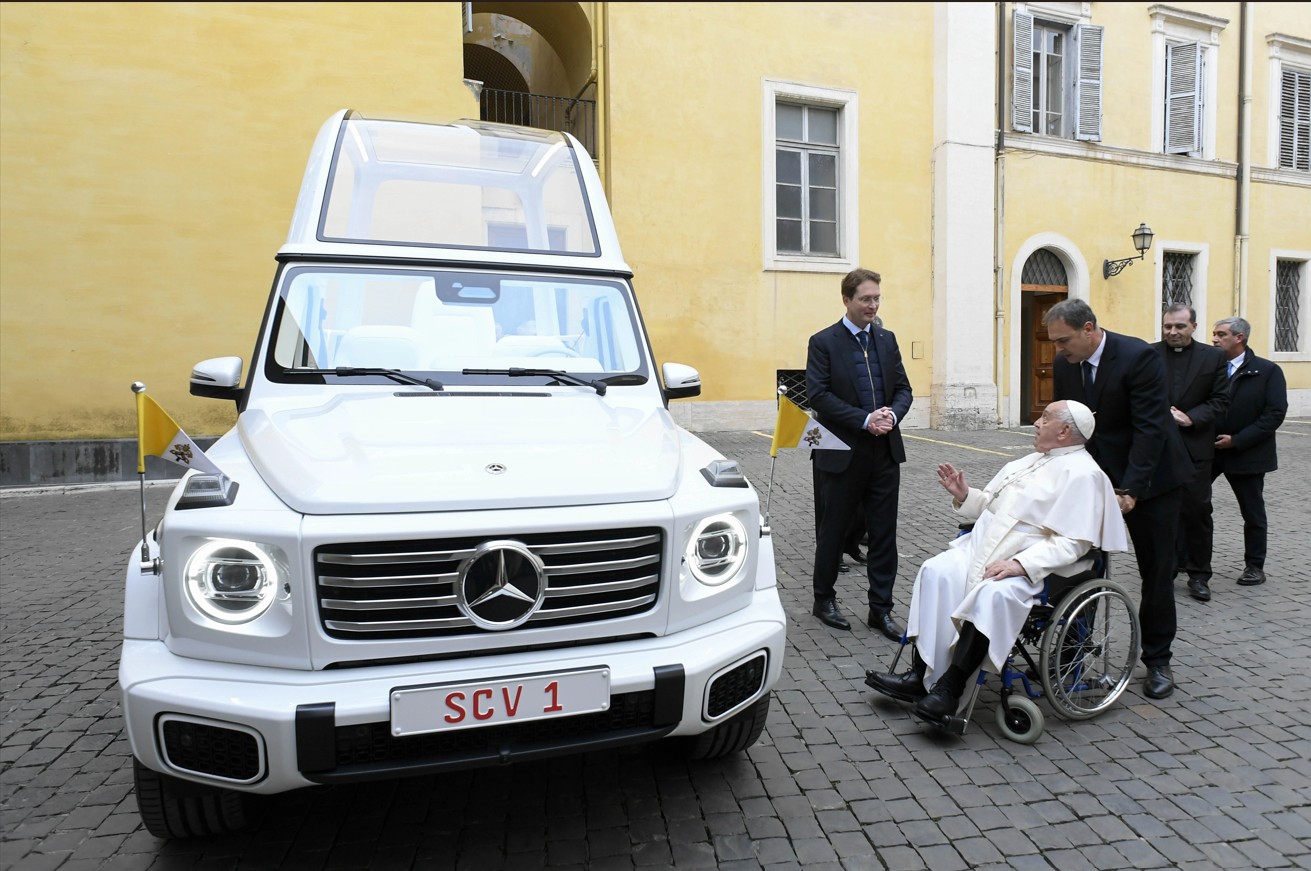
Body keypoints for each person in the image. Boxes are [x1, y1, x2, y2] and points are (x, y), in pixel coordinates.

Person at [863, 400, 1127, 722]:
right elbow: (991, 507)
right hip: (983, 549)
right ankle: (920, 673)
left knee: (992, 593)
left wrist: (1021, 564)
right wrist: (964, 494)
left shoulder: (1085, 474)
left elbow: (1073, 543)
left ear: (1064, 431)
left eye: (1045, 418)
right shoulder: (1029, 461)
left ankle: (950, 688)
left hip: (1040, 568)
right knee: (937, 572)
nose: (1037, 423)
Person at [1046, 298, 1192, 700]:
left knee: (1157, 572)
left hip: (1153, 479)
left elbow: (1151, 428)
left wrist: (1130, 490)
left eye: (1064, 340)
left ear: (1089, 329)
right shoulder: (1064, 365)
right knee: (1079, 566)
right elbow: (1069, 426)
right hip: (1098, 478)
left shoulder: (1137, 357)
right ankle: (1073, 655)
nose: (1058, 349)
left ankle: (1158, 661)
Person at [806, 269, 913, 639]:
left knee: (883, 534)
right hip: (840, 453)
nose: (873, 305)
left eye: (877, 298)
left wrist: (892, 415)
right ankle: (824, 599)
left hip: (884, 452)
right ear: (847, 300)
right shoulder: (824, 342)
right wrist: (865, 418)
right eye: (866, 299)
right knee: (833, 530)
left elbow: (903, 388)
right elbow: (818, 395)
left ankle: (880, 609)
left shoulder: (886, 339)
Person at [1152, 304, 1229, 602]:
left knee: (1197, 513)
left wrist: (1191, 417)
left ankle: (1199, 575)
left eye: (1180, 326)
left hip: (1196, 447)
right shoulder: (1149, 354)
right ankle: (1164, 571)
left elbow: (1221, 399)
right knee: (1160, 514)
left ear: (1194, 326)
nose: (1173, 332)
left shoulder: (1214, 357)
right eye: (1168, 326)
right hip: (1158, 449)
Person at [1210, 316, 1288, 587]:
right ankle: (1188, 558)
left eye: (1221, 334)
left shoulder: (1267, 371)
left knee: (1252, 513)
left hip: (1247, 453)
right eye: (1214, 334)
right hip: (1209, 450)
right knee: (1192, 504)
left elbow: (1274, 413)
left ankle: (1255, 566)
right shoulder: (1210, 367)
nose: (1214, 339)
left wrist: (1239, 440)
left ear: (1239, 338)